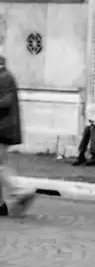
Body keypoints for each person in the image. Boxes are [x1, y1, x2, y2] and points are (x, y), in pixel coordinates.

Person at [0, 55, 36, 216]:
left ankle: (21, 190)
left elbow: (6, 101)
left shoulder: (4, 77)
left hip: (3, 128)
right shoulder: (5, 76)